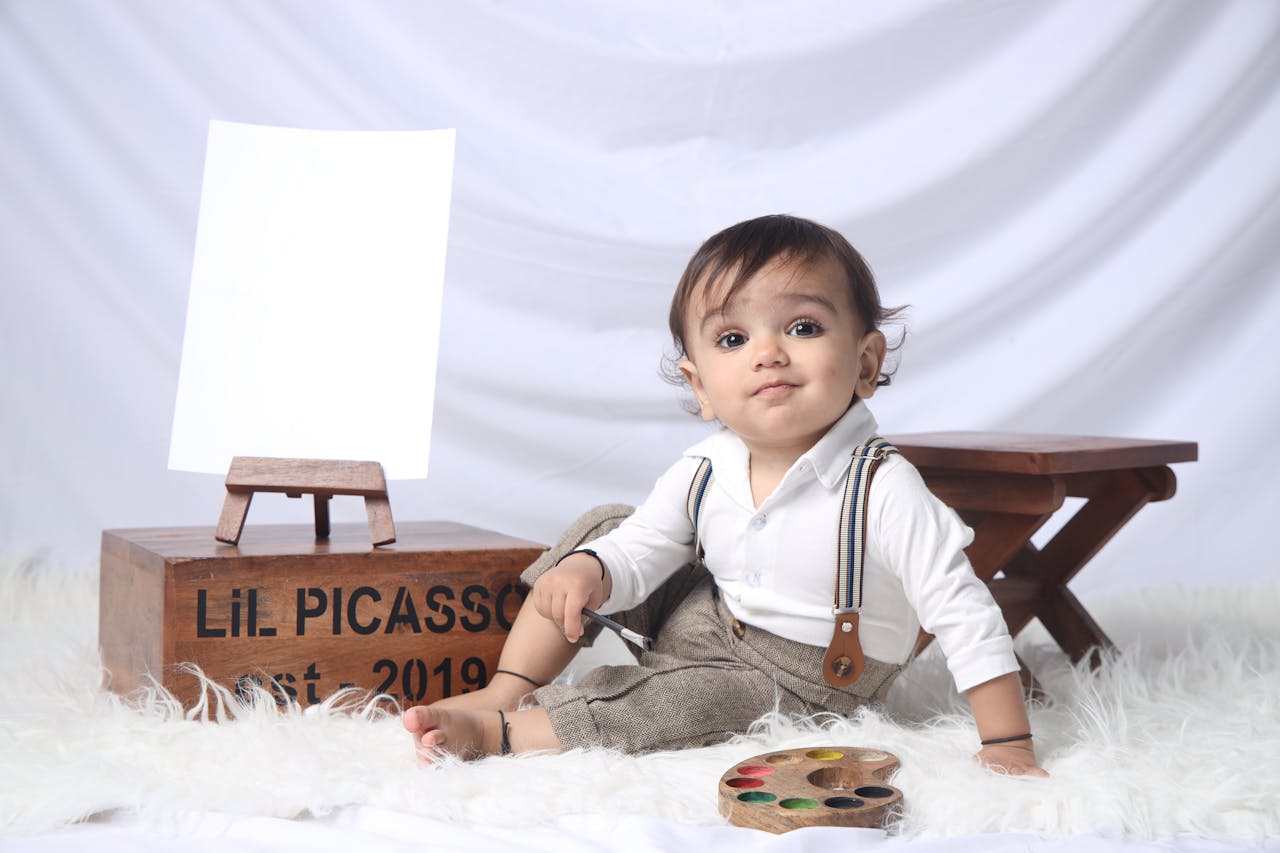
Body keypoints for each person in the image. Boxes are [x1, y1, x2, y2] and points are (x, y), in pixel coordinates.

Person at [403, 214, 1047, 776]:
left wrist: (1008, 742)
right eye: (733, 340)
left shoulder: (882, 486)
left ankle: (503, 735)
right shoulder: (706, 465)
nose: (767, 353)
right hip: (706, 618)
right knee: (607, 530)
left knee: (681, 703)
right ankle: (508, 688)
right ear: (701, 385)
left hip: (801, 680)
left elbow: (962, 609)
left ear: (866, 362)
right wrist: (592, 571)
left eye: (802, 326)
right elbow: (645, 547)